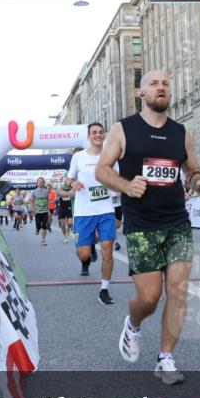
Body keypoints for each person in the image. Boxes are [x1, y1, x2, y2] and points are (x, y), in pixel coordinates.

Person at [96, 70, 200, 385]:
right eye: (154, 84)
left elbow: (193, 168)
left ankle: (165, 358)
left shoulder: (180, 132)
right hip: (141, 223)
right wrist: (125, 184)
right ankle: (133, 326)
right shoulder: (123, 129)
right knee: (149, 297)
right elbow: (102, 170)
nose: (161, 88)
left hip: (176, 221)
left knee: (177, 291)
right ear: (141, 93)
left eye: (166, 84)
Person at [63, 122, 118, 304]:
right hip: (84, 211)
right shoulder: (78, 157)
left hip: (105, 210)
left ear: (104, 135)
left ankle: (104, 289)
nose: (98, 135)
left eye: (101, 132)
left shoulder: (111, 156)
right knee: (83, 254)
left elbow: (117, 179)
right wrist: (73, 184)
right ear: (88, 137)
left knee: (108, 250)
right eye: (94, 132)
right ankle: (87, 257)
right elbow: (68, 179)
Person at [30, 178, 50, 246]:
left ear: (44, 183)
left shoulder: (47, 191)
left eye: (42, 182)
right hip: (37, 212)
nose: (40, 183)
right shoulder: (34, 192)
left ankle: (43, 240)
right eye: (39, 181)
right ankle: (37, 228)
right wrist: (33, 210)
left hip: (45, 211)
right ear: (37, 183)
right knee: (38, 225)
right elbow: (32, 201)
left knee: (44, 226)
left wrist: (49, 210)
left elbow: (48, 201)